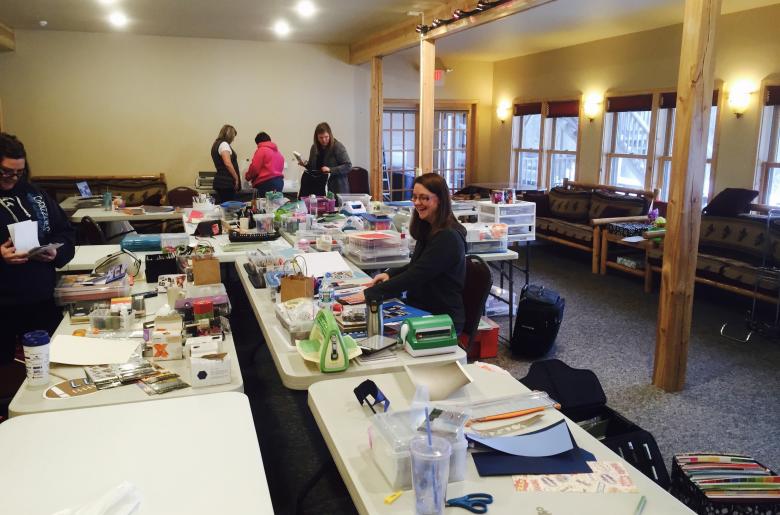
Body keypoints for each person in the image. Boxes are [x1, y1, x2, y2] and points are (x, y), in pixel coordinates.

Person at [0, 132, 75, 364]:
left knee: (49, 363)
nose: (13, 178)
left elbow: (65, 232)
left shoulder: (35, 194)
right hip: (3, 303)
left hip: (41, 298)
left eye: (19, 172)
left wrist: (56, 251)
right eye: (6, 172)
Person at [363, 173, 467, 333]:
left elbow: (416, 275)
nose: (417, 202)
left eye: (424, 198)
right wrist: (390, 274)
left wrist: (371, 293)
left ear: (440, 199)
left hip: (442, 318)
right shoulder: (430, 227)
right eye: (415, 197)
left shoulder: (448, 237)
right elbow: (418, 265)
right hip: (422, 307)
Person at [297, 122, 352, 197]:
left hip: (336, 188)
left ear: (330, 135)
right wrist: (305, 164)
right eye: (321, 137)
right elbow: (313, 169)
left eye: (326, 137)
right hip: (319, 188)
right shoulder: (314, 148)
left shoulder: (337, 146)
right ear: (316, 137)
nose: (324, 140)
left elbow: (348, 166)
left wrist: (330, 169)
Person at [245, 132, 285, 196]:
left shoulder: (261, 150)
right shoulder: (278, 153)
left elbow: (255, 168)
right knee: (275, 202)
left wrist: (248, 176)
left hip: (266, 183)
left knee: (264, 202)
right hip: (279, 183)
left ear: (258, 142)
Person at [210, 124, 240, 202]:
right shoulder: (224, 144)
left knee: (223, 205)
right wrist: (236, 178)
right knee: (229, 207)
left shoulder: (216, 144)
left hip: (221, 182)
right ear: (229, 135)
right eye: (233, 136)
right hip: (226, 183)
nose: (233, 139)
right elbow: (227, 163)